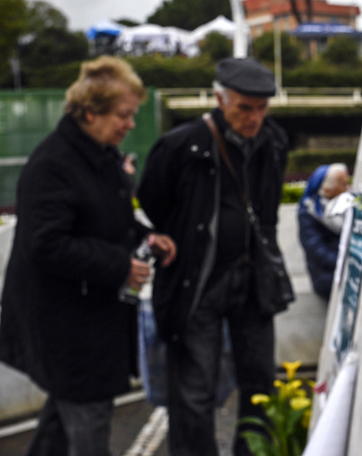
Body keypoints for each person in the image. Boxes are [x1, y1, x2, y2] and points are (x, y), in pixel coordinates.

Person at [0, 56, 177, 456]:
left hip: (87, 318)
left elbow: (107, 221)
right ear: (90, 113)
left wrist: (148, 237)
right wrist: (120, 266)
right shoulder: (53, 165)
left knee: (63, 422)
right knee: (88, 422)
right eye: (124, 115)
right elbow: (45, 243)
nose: (131, 124)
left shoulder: (100, 152)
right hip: (69, 327)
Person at [137, 57, 292, 456]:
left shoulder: (274, 142)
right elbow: (154, 201)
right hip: (198, 281)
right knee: (194, 389)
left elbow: (269, 210)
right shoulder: (181, 144)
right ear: (220, 100)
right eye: (244, 107)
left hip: (253, 278)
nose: (254, 117)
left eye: (262, 108)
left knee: (259, 382)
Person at [298, 163, 351, 300]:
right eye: (343, 185)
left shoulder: (346, 206)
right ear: (327, 189)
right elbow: (317, 251)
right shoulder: (309, 212)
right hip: (327, 275)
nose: (348, 189)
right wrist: (346, 263)